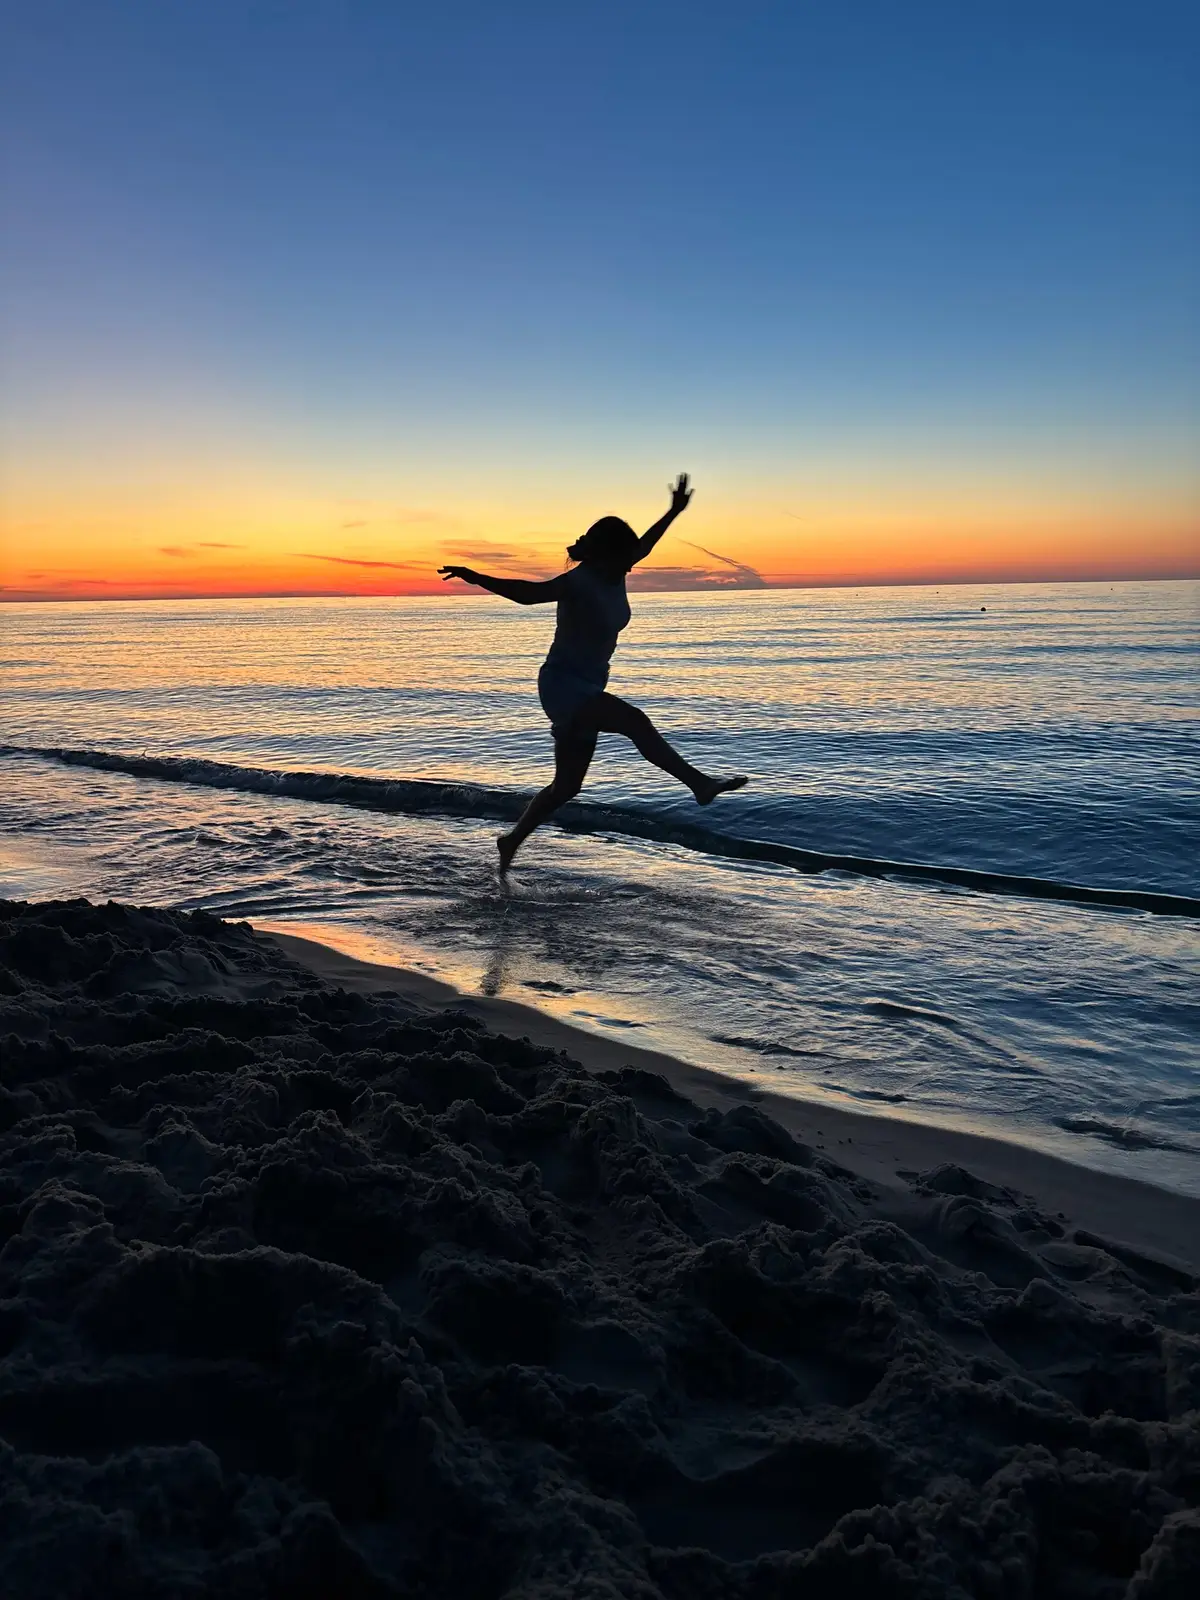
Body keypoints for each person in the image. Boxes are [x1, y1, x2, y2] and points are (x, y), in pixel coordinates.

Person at [438, 474, 748, 871]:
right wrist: (476, 576)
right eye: (626, 550)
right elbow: (528, 594)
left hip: (586, 685)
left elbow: (645, 544)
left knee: (567, 787)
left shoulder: (614, 574)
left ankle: (511, 840)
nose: (634, 556)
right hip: (563, 686)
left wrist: (672, 511)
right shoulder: (580, 581)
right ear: (609, 551)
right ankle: (700, 785)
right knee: (636, 721)